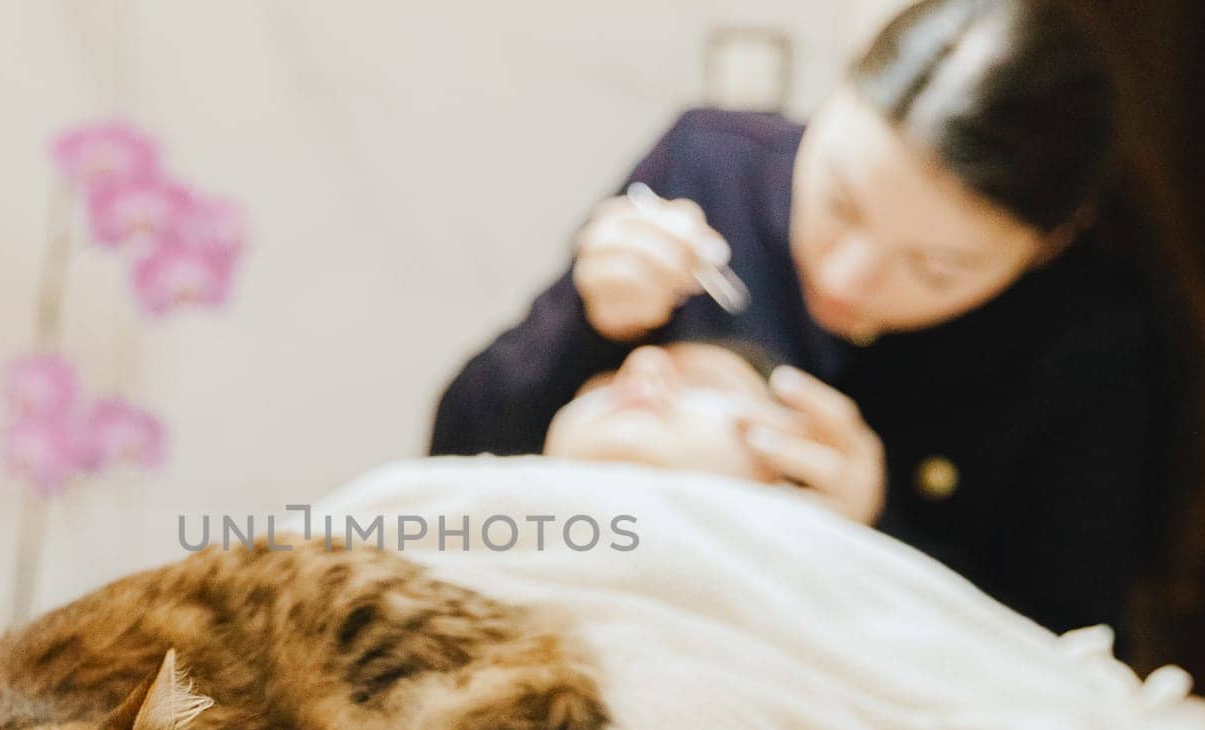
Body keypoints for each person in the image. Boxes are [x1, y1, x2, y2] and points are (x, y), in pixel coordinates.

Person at [429, 0, 1202, 644]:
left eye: (936, 269)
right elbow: (454, 457)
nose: (845, 280)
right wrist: (586, 320)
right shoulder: (709, 170)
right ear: (830, 100)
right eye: (838, 203)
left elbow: (1069, 644)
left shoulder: (1087, 340)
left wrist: (882, 531)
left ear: (1046, 248)